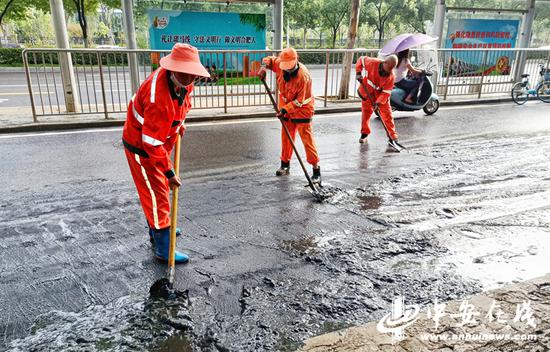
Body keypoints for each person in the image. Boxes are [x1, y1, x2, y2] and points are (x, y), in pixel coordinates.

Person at [122, 43, 210, 264]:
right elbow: (151, 143)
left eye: (192, 74)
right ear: (173, 69)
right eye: (185, 74)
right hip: (141, 148)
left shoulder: (185, 82)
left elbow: (184, 105)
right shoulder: (157, 96)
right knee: (157, 193)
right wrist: (169, 171)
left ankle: (159, 228)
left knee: (157, 190)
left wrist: (178, 123)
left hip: (159, 142)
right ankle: (163, 247)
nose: (190, 79)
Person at [258, 47, 321, 184]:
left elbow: (299, 101)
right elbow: (268, 60)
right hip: (285, 108)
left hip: (302, 108)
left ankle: (316, 170)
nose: (286, 70)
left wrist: (286, 109)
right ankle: (285, 165)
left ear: (296, 61)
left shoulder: (303, 76)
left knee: (307, 140)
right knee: (286, 137)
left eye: (289, 68)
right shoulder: (280, 64)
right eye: (284, 67)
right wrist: (263, 67)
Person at [355, 54, 399, 144]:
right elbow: (361, 59)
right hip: (367, 91)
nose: (390, 70)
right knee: (366, 113)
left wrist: (378, 103)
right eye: (389, 67)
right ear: (385, 62)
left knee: (387, 115)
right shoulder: (372, 62)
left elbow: (386, 92)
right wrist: (358, 73)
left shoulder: (391, 76)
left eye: (392, 68)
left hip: (381, 95)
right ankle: (364, 134)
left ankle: (392, 137)